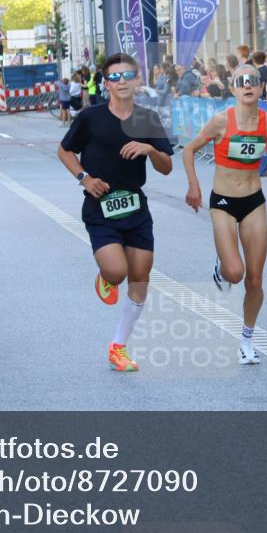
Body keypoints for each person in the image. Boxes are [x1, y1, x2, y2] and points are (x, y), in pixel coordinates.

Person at [56, 53, 173, 373]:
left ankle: (118, 347)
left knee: (140, 279)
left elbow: (166, 166)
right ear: (106, 84)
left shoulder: (148, 118)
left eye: (127, 75)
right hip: (100, 206)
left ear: (137, 80)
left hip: (136, 207)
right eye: (115, 77)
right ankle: (107, 277)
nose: (122, 82)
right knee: (117, 272)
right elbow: (64, 150)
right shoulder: (91, 118)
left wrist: (150, 149)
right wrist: (85, 178)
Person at [181, 64, 267, 365]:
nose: (248, 86)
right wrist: (194, 186)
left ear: (261, 88)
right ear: (233, 89)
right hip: (222, 202)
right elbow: (189, 150)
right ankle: (222, 266)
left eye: (253, 82)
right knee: (234, 272)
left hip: (253, 202)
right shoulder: (221, 121)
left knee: (255, 279)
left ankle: (247, 339)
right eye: (241, 82)